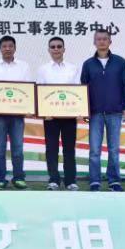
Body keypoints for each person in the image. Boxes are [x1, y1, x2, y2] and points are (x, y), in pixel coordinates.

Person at [80, 30, 125, 192]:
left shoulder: (120, 62)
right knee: (94, 150)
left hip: (115, 112)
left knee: (114, 150)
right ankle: (94, 181)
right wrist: (84, 111)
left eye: (105, 39)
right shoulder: (88, 64)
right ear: (94, 42)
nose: (102, 41)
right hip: (95, 113)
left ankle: (114, 182)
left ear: (110, 42)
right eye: (98, 39)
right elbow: (83, 89)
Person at [0, 35, 31, 190]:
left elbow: (27, 91)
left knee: (17, 148)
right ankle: (0, 179)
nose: (7, 49)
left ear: (15, 48)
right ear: (0, 49)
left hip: (17, 115)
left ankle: (19, 178)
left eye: (10, 46)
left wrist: (28, 108)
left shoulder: (24, 66)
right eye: (4, 46)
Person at [36, 37, 80, 191]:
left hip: (69, 115)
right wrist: (43, 112)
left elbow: (78, 92)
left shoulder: (73, 68)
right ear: (49, 50)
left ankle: (70, 181)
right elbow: (40, 92)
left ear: (64, 49)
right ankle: (53, 180)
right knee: (51, 148)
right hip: (50, 116)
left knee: (69, 149)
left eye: (59, 46)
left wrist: (78, 111)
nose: (56, 49)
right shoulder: (43, 69)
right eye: (53, 47)